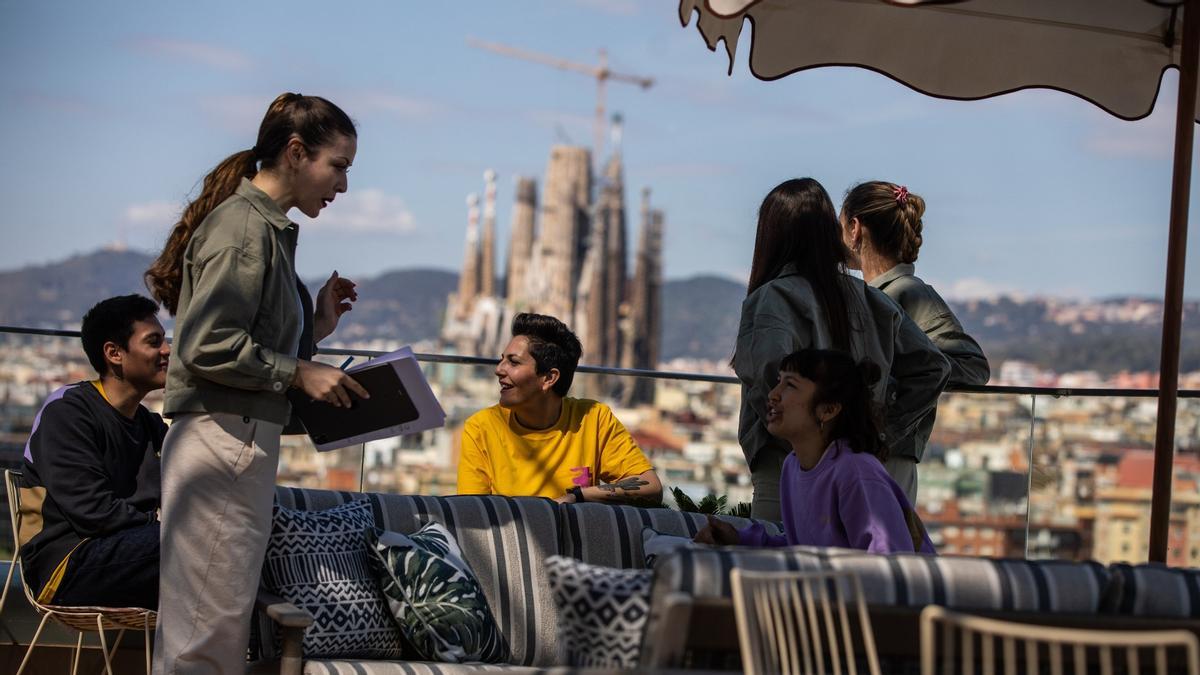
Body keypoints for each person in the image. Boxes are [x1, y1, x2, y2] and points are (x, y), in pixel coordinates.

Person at [144, 93, 369, 674]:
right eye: (338, 166)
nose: (342, 185)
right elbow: (207, 345)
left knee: (211, 624)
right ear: (297, 153)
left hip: (234, 442)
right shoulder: (245, 230)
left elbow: (240, 341)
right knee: (206, 635)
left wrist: (315, 328)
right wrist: (299, 369)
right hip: (223, 444)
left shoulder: (260, 230)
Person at [733, 178, 950, 521]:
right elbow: (933, 368)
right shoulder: (870, 298)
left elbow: (768, 384)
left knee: (781, 567)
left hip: (787, 469)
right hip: (856, 469)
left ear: (771, 236)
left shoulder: (772, 300)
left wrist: (808, 444)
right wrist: (878, 432)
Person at [696, 349, 935, 554]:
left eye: (790, 385)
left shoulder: (856, 472)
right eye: (779, 381)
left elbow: (892, 564)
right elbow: (802, 548)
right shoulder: (793, 465)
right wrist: (740, 539)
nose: (773, 394)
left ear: (828, 410)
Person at [840, 181, 990, 503]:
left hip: (886, 457)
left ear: (855, 228)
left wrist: (887, 424)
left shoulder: (908, 293)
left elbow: (972, 365)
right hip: (878, 454)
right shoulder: (884, 292)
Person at [18, 294, 169, 609]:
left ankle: (264, 648)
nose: (167, 350)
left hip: (127, 553)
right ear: (114, 353)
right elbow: (94, 512)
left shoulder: (149, 425)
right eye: (154, 342)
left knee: (244, 531)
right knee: (205, 540)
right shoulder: (68, 412)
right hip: (67, 566)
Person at [457, 312, 664, 505]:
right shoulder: (481, 428)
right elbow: (472, 513)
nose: (499, 369)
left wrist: (578, 495)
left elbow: (651, 486)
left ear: (549, 378)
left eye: (513, 362)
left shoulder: (594, 418)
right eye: (501, 359)